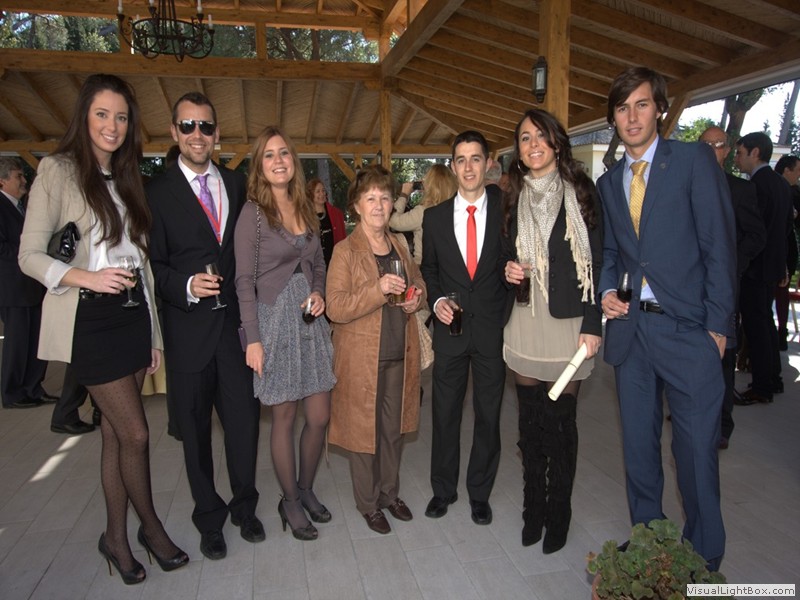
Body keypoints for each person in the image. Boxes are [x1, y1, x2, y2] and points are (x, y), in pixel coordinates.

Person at [19, 73, 188, 584]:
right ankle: (151, 528)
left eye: (121, 117)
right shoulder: (57, 170)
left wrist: (153, 335)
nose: (112, 125)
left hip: (133, 316)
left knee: (116, 436)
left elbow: (143, 264)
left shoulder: (129, 177)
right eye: (102, 114)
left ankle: (115, 539)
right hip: (90, 319)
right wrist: (87, 277)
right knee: (136, 433)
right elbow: (29, 256)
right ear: (84, 116)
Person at [598, 67, 735, 570]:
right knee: (639, 450)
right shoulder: (609, 182)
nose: (631, 117)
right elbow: (611, 252)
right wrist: (607, 290)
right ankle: (650, 543)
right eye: (622, 108)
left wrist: (717, 328)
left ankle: (704, 560)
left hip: (689, 331)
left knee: (696, 455)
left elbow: (719, 245)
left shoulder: (693, 161)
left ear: (659, 108)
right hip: (632, 333)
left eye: (641, 104)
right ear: (613, 118)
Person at [147, 92, 263, 560]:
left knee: (244, 426)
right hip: (188, 333)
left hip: (235, 331)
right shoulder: (155, 193)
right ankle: (209, 520)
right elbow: (151, 267)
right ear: (174, 132)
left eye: (206, 126)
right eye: (188, 125)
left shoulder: (237, 184)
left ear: (217, 133)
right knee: (195, 435)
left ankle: (245, 507)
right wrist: (186, 285)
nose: (198, 134)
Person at [501, 109, 603, 553]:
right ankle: (533, 510)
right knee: (529, 426)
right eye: (525, 138)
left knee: (561, 426)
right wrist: (507, 269)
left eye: (540, 135)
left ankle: (559, 514)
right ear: (519, 150)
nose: (533, 144)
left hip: (568, 326)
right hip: (524, 321)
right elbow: (502, 253)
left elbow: (599, 259)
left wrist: (594, 324)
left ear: (556, 142)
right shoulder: (511, 194)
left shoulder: (581, 191)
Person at [234, 126, 336, 541]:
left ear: (293, 160)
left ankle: (306, 488)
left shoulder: (305, 206)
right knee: (285, 415)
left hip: (311, 322)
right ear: (260, 166)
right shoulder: (253, 214)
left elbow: (319, 263)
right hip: (273, 322)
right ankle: (290, 500)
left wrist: (319, 292)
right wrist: (253, 339)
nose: (278, 161)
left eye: (284, 153)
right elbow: (243, 281)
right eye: (269, 155)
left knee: (320, 415)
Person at [326, 165, 427, 535]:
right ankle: (368, 503)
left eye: (385, 197)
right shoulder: (345, 251)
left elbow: (418, 280)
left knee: (392, 431)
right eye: (370, 198)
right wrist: (378, 289)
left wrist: (417, 297)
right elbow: (335, 307)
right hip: (360, 360)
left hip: (400, 353)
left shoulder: (398, 244)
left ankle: (389, 493)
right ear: (356, 205)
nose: (379, 205)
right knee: (363, 433)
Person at [420, 130, 510, 526]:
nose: (469, 167)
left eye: (476, 158)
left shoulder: (507, 208)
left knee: (488, 416)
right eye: (461, 159)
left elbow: (513, 261)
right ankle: (443, 490)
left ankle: (480, 493)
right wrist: (437, 300)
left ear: (488, 163)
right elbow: (429, 269)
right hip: (450, 331)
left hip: (491, 330)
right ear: (453, 166)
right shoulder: (434, 217)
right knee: (444, 415)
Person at [698, 126, 766, 449]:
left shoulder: (740, 189)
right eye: (705, 144)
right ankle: (693, 411)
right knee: (691, 353)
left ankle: (722, 425)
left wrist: (730, 265)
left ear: (726, 151)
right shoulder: (684, 187)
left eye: (718, 144)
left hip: (723, 289)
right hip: (687, 289)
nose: (711, 149)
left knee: (722, 356)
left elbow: (757, 236)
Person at [733, 132, 793, 405]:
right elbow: (785, 228)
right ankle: (773, 378)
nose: (737, 159)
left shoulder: (756, 186)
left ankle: (762, 386)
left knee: (756, 326)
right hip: (771, 265)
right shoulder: (781, 183)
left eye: (740, 153)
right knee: (766, 324)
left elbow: (754, 231)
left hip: (755, 267)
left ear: (755, 152)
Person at [0, 157, 51, 409]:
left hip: (32, 285)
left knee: (36, 341)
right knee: (18, 343)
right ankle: (12, 393)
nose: (24, 180)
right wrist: (30, 253)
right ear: (2, 181)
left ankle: (33, 388)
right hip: (13, 287)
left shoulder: (22, 207)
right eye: (18, 176)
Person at [388, 164, 458, 265]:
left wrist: (404, 195)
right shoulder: (457, 210)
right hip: (450, 267)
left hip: (424, 267)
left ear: (429, 186)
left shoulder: (423, 212)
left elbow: (393, 222)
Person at [774, 154, 800, 350]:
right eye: (797, 171)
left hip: (788, 251)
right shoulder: (774, 189)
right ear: (786, 170)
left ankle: (781, 332)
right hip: (775, 250)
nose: (799, 176)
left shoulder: (795, 193)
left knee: (781, 292)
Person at [307, 177, 346, 268]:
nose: (322, 194)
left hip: (334, 262)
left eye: (323, 190)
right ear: (311, 195)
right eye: (318, 191)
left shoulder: (336, 214)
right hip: (313, 264)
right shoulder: (305, 216)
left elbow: (342, 240)